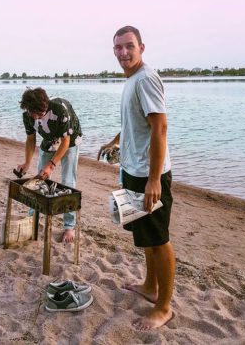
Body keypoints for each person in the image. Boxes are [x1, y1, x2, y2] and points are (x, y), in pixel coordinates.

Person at [97, 25, 176, 330]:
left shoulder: (145, 79)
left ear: (142, 47)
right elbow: (138, 122)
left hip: (148, 176)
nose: (123, 52)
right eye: (118, 47)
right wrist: (116, 140)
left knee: (159, 240)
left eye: (129, 46)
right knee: (146, 239)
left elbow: (160, 129)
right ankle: (150, 286)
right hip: (133, 171)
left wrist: (154, 180)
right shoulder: (131, 80)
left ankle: (164, 306)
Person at [17, 88, 82, 243]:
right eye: (31, 112)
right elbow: (31, 140)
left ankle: (69, 226)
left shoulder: (60, 109)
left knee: (68, 183)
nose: (34, 116)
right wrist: (27, 163)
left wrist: (51, 165)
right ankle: (33, 217)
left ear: (44, 107)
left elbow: (65, 142)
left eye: (37, 113)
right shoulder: (28, 115)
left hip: (70, 139)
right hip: (49, 139)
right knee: (39, 180)